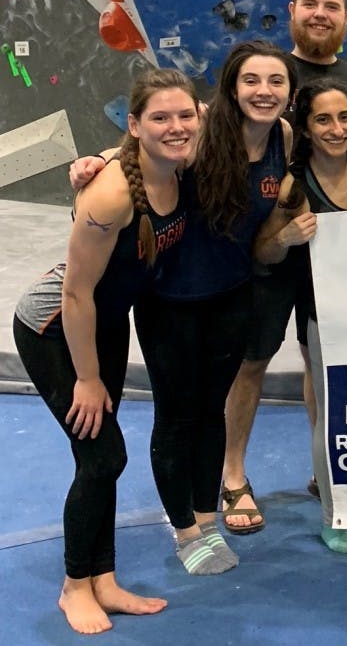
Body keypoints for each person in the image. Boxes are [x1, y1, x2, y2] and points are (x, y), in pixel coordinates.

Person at [13, 68, 196, 633]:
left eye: (184, 115)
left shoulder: (180, 157)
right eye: (160, 118)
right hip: (54, 328)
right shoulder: (112, 195)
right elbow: (75, 293)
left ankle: (105, 579)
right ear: (134, 125)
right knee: (103, 457)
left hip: (106, 323)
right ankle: (75, 586)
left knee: (98, 459)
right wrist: (87, 379)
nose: (176, 126)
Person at [221, 0, 347, 533]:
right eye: (310, 4)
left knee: (323, 362)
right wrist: (107, 157)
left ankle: (326, 467)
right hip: (267, 254)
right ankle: (232, 473)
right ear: (292, 11)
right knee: (251, 363)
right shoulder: (263, 73)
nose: (319, 15)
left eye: (331, 6)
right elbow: (197, 124)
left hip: (333, 263)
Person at [133, 41, 295, 574]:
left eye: (276, 81)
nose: (264, 92)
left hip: (233, 297)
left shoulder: (283, 137)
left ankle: (205, 520)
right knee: (175, 416)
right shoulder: (200, 132)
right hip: (170, 301)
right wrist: (95, 162)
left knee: (210, 412)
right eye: (252, 81)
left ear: (289, 92)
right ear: (231, 87)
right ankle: (184, 531)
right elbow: (138, 153)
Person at [252, 77, 347, 553]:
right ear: (306, 128)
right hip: (325, 316)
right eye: (323, 120)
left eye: (344, 117)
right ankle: (335, 516)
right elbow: (263, 252)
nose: (337, 129)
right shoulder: (294, 184)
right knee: (335, 415)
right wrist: (285, 238)